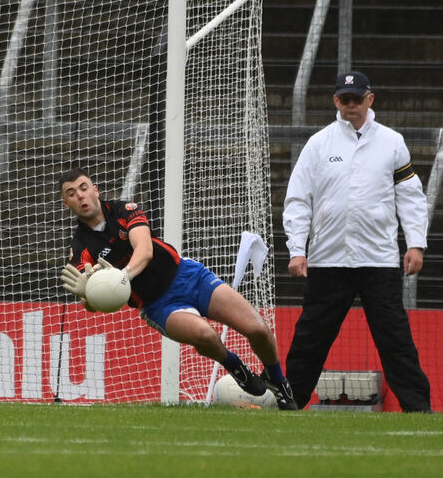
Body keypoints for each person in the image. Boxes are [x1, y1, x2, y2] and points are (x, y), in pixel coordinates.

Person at [56, 168, 298, 410]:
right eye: (72, 193)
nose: (80, 196)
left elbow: (145, 249)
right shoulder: (81, 248)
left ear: (95, 189)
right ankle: (234, 365)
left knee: (258, 329)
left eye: (84, 187)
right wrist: (87, 294)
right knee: (206, 335)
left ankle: (277, 380)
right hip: (158, 305)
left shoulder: (124, 210)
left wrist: (122, 276)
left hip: (188, 276)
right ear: (66, 203)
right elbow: (94, 304)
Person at [281, 70, 433, 412]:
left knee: (395, 338)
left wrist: (415, 244)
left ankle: (418, 408)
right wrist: (296, 249)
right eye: (345, 99)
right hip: (327, 260)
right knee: (310, 338)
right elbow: (298, 199)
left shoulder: (392, 142)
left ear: (370, 99)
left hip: (378, 260)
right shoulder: (319, 144)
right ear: (336, 101)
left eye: (357, 99)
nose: (351, 105)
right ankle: (288, 403)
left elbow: (410, 197)